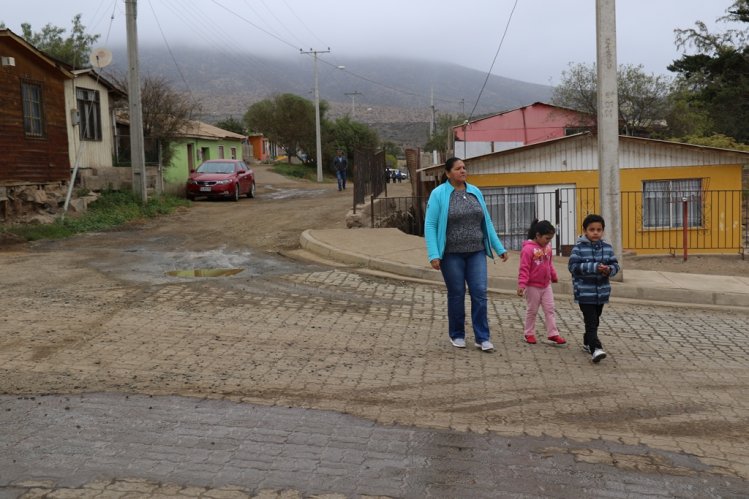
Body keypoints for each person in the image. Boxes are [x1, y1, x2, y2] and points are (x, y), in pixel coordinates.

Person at [424, 157, 509, 352]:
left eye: (464, 168)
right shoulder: (439, 194)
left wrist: (499, 248)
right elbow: (430, 225)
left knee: (479, 292)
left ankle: (482, 337)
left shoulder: (475, 191)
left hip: (476, 252)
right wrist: (433, 254)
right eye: (458, 168)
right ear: (448, 173)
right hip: (451, 254)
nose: (463, 171)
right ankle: (457, 334)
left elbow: (486, 221)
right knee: (457, 294)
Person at [568, 214, 620, 363]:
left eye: (599, 229)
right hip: (584, 292)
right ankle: (596, 349)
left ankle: (586, 341)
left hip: (601, 293)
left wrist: (608, 270)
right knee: (591, 322)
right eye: (592, 229)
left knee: (595, 321)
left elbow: (615, 266)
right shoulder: (578, 248)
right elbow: (573, 267)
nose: (595, 232)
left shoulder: (608, 248)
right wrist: (594, 267)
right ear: (585, 230)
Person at [517, 219, 566, 345]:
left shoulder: (547, 248)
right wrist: (522, 285)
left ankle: (553, 334)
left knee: (550, 309)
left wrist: (553, 276)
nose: (548, 241)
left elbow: (549, 264)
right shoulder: (528, 250)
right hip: (532, 286)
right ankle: (528, 333)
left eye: (550, 239)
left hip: (546, 285)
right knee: (532, 310)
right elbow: (524, 268)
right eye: (547, 238)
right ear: (538, 235)